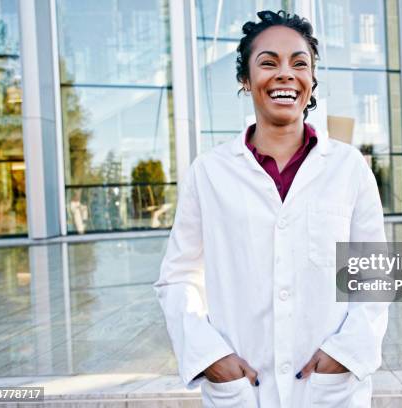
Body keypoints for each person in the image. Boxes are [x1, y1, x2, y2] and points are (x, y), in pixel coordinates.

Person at [153, 10, 389, 408]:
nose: (285, 74)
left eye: (300, 63)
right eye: (268, 63)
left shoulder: (349, 168)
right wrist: (213, 358)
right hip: (244, 389)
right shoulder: (208, 172)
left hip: (330, 391)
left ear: (311, 83)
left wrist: (344, 355)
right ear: (246, 81)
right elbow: (178, 279)